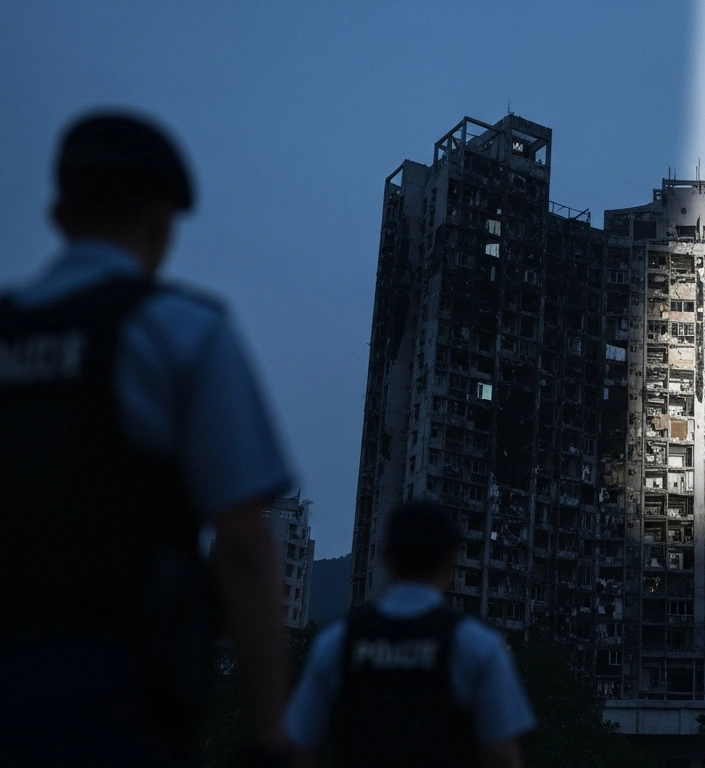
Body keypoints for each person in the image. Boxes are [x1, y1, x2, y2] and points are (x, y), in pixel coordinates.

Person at [0, 112, 295, 766]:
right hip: (116, 694)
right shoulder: (181, 332)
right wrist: (269, 735)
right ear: (163, 223)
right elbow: (243, 542)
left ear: (58, 214)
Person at [285, 499, 535, 768]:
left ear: (384, 555)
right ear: (453, 558)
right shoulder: (478, 646)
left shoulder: (336, 642)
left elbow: (298, 750)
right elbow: (503, 756)